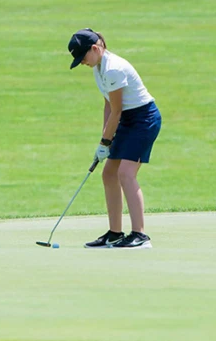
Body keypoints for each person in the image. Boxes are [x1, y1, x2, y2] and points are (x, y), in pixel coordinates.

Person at [67, 28, 162, 249]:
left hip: (143, 119)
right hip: (127, 119)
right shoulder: (98, 68)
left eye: (83, 57)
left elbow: (118, 110)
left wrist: (106, 142)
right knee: (109, 173)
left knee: (125, 174)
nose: (82, 62)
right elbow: (108, 105)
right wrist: (104, 139)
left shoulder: (113, 69)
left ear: (95, 48)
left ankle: (140, 235)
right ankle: (115, 233)